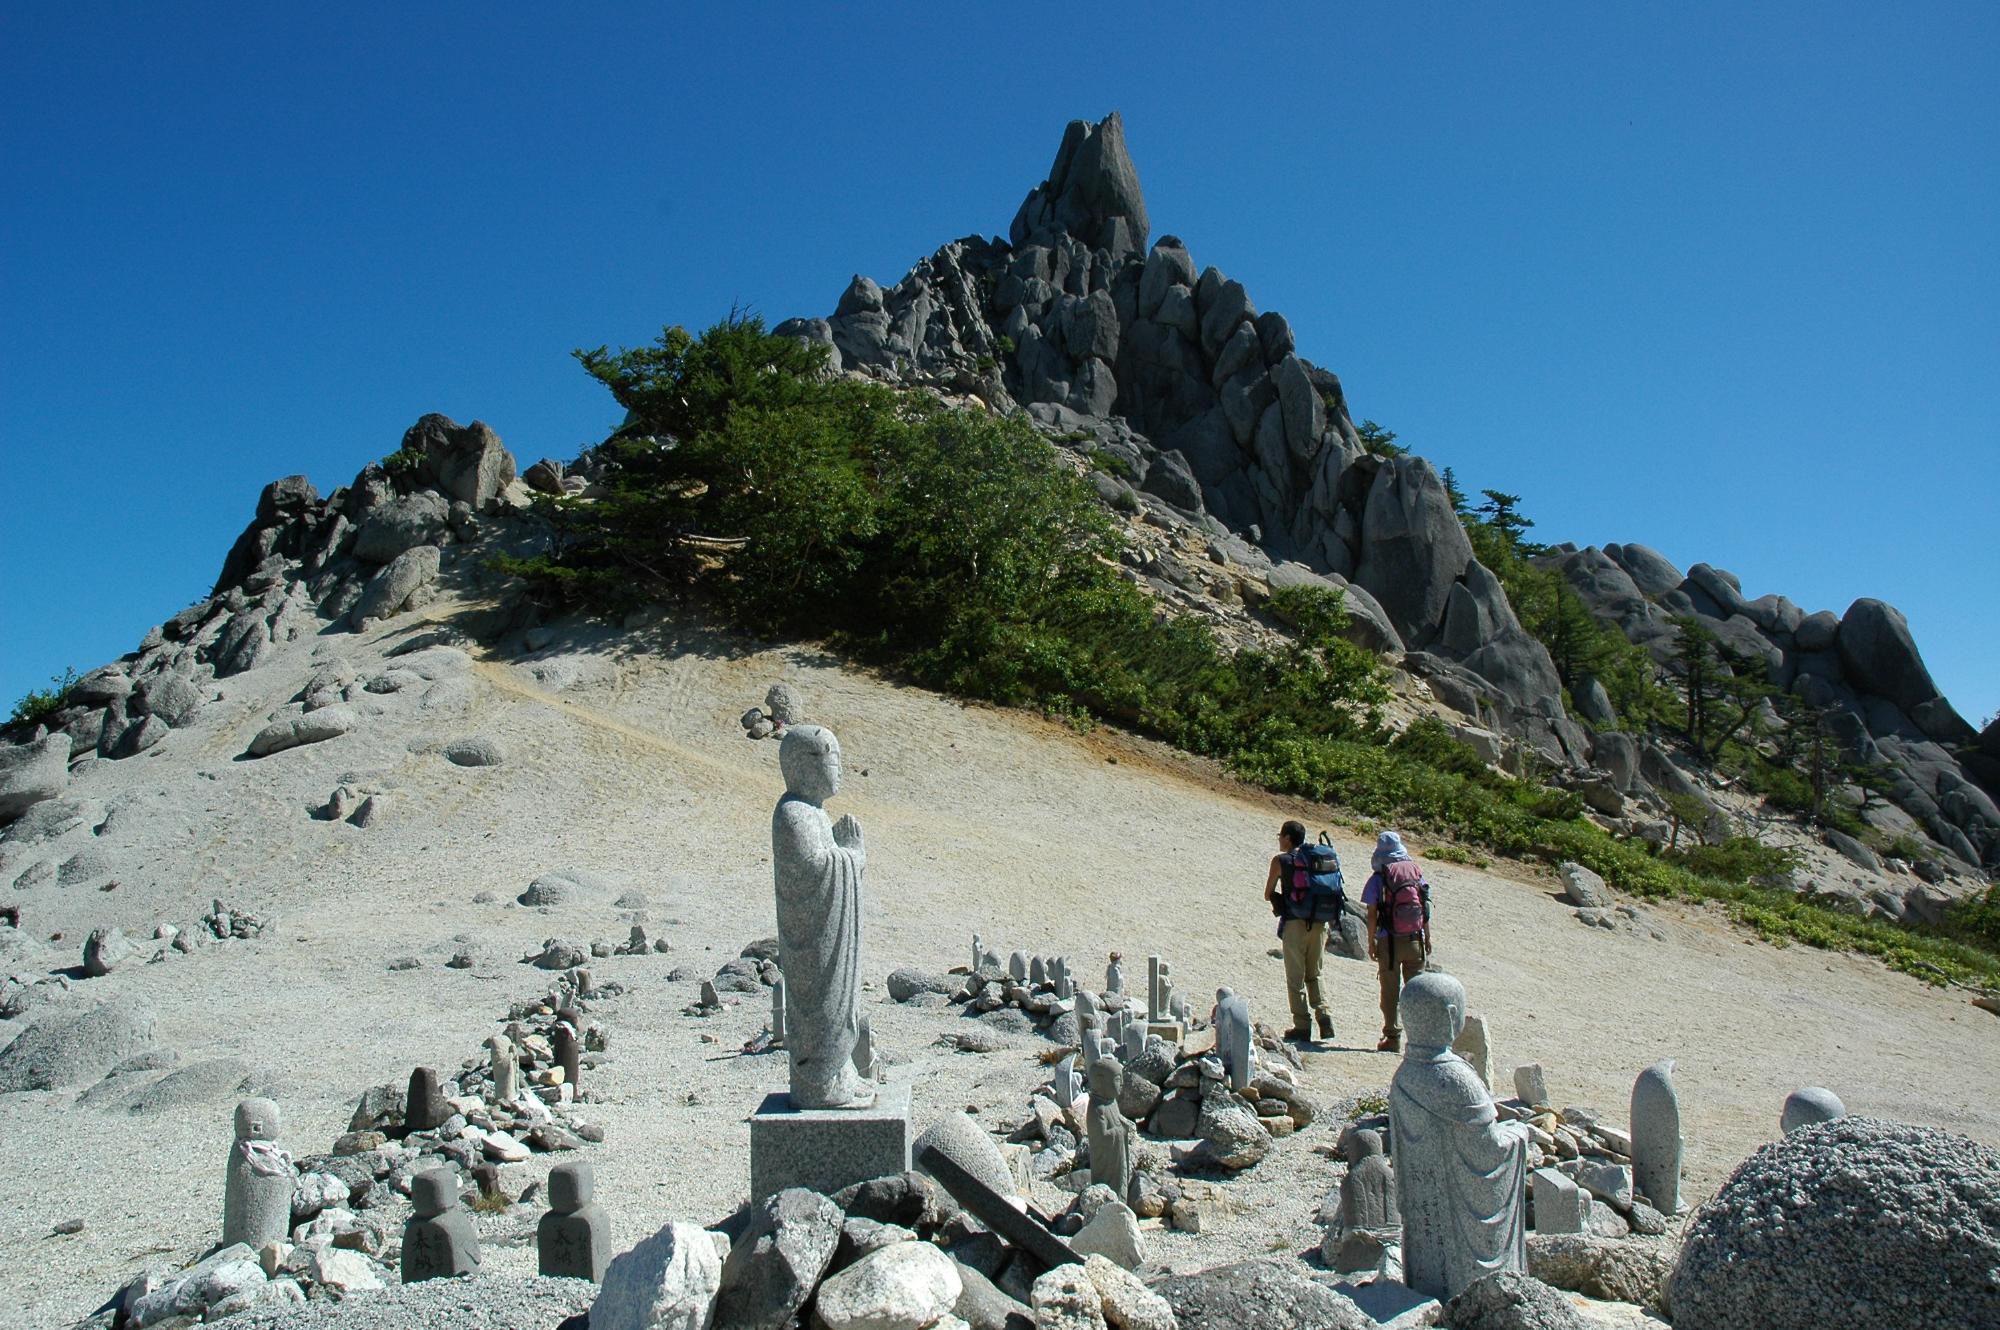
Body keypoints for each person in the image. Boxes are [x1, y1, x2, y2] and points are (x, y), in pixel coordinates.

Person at [1262, 819, 1335, 1041]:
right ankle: (1324, 1016)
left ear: (1287, 838)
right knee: (1315, 972)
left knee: (1296, 976)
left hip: (1295, 923)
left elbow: (1268, 893)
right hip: (1320, 923)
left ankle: (1302, 1025)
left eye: (1280, 836)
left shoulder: (1280, 860)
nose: (1279, 840)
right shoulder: (1315, 860)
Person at [1362, 830, 1431, 1052]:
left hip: (1389, 940)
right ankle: (1419, 1039)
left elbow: (1371, 913)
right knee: (1416, 991)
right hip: (1415, 940)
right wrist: (1427, 937)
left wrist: (1371, 941)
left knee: (1390, 991)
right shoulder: (1415, 872)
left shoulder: (1379, 877)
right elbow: (1425, 908)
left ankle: (1392, 1037)